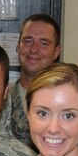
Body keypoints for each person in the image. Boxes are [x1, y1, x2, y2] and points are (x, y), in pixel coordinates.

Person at [8, 14, 63, 145]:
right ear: (18, 46)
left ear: (56, 51)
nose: (34, 49)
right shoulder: (1, 101)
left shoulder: (67, 103)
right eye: (28, 41)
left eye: (43, 43)